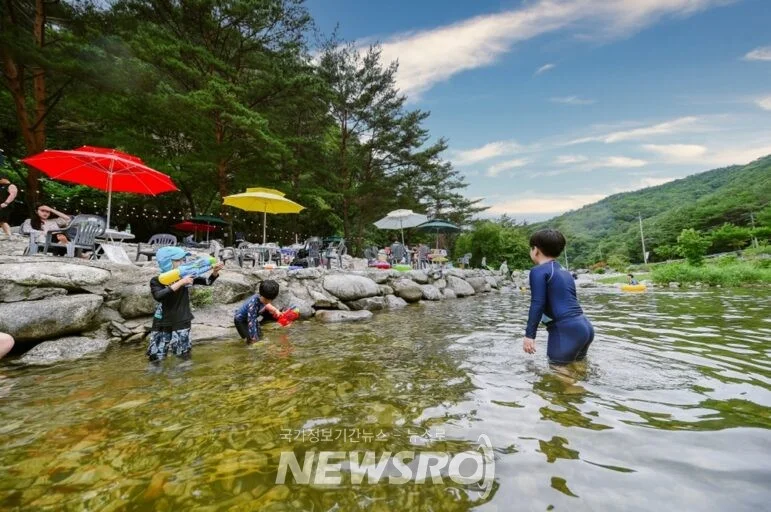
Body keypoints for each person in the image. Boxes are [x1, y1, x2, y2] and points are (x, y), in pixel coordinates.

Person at [522, 229, 594, 364]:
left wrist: (529, 335)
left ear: (535, 250)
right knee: (577, 369)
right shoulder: (564, 271)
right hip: (585, 327)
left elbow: (537, 303)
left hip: (565, 330)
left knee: (559, 375)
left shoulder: (538, 271)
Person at [146, 247, 224, 361]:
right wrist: (181, 282)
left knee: (182, 357)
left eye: (183, 259)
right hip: (161, 322)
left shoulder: (187, 275)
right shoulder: (157, 280)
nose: (183, 263)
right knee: (155, 357)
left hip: (182, 320)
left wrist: (215, 271)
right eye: (178, 260)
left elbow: (208, 282)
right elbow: (158, 296)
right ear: (167, 263)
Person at [233, 280, 280, 344]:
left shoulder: (264, 297)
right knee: (250, 340)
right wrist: (253, 338)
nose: (267, 302)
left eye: (270, 300)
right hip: (241, 321)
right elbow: (251, 322)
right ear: (261, 294)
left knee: (260, 336)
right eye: (266, 300)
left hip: (252, 317)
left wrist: (275, 310)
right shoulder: (253, 305)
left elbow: (267, 305)